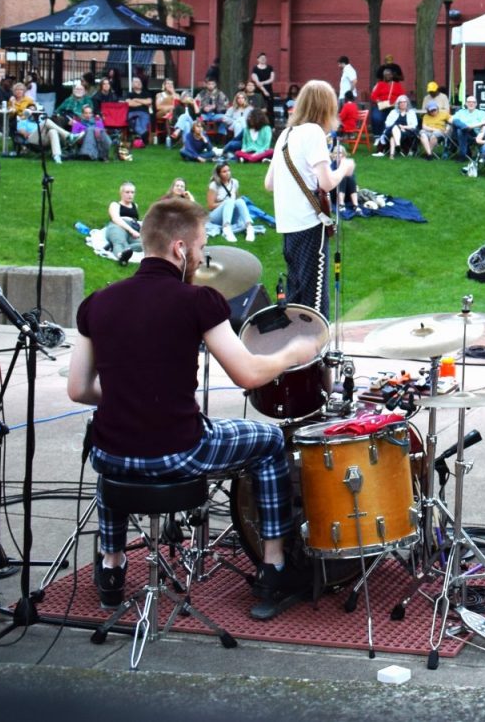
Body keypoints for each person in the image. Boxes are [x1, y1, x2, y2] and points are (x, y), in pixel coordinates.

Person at [66, 196, 320, 620]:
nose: (202, 257)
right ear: (180, 248)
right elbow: (248, 375)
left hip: (111, 456)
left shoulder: (97, 302)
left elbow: (78, 390)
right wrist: (293, 353)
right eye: (201, 247)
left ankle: (111, 568)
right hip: (179, 451)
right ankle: (274, 566)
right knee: (270, 440)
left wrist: (130, 397)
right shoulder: (198, 301)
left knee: (114, 445)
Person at [266, 80, 353, 310]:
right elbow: (326, 182)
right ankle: (316, 346)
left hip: (288, 226)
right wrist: (343, 168)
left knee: (296, 296)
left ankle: (297, 344)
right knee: (314, 302)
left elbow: (269, 183)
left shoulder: (285, 134)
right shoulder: (313, 132)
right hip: (309, 225)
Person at [59, 81, 115, 161]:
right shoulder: (78, 121)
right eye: (86, 113)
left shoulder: (95, 117)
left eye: (90, 113)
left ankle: (103, 152)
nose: (88, 115)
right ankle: (92, 154)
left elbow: (101, 130)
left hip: (98, 136)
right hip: (84, 135)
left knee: (96, 130)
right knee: (90, 129)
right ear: (82, 114)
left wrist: (98, 122)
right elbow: (75, 135)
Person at [208, 162, 256, 243]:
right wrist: (225, 203)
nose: (228, 173)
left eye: (228, 170)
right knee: (229, 201)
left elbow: (237, 199)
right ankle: (226, 229)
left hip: (231, 215)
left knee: (240, 201)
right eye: (224, 172)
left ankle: (249, 227)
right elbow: (210, 206)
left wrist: (232, 202)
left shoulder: (235, 182)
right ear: (218, 174)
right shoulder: (214, 185)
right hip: (216, 217)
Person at [369, 68, 406, 135]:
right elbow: (373, 96)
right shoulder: (380, 84)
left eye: (388, 75)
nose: (387, 76)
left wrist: (397, 102)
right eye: (385, 75)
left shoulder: (397, 85)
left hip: (394, 107)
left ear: (392, 75)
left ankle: (392, 134)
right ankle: (378, 135)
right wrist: (378, 100)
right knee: (376, 117)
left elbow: (403, 96)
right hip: (381, 106)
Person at [419, 84, 452, 157]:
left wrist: (448, 127)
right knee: (423, 133)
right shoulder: (426, 98)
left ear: (437, 90)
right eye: (430, 91)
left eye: (433, 91)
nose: (431, 93)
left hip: (440, 126)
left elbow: (448, 112)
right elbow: (423, 110)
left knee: (435, 134)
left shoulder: (443, 97)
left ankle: (428, 153)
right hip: (429, 125)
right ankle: (429, 154)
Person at [451, 94, 485, 160]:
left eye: (473, 102)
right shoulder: (461, 112)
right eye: (469, 102)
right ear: (466, 103)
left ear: (476, 104)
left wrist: (470, 126)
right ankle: (464, 128)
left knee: (461, 130)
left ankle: (462, 155)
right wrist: (464, 127)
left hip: (474, 135)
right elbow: (452, 120)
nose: (471, 104)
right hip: (460, 134)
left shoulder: (481, 113)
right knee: (457, 123)